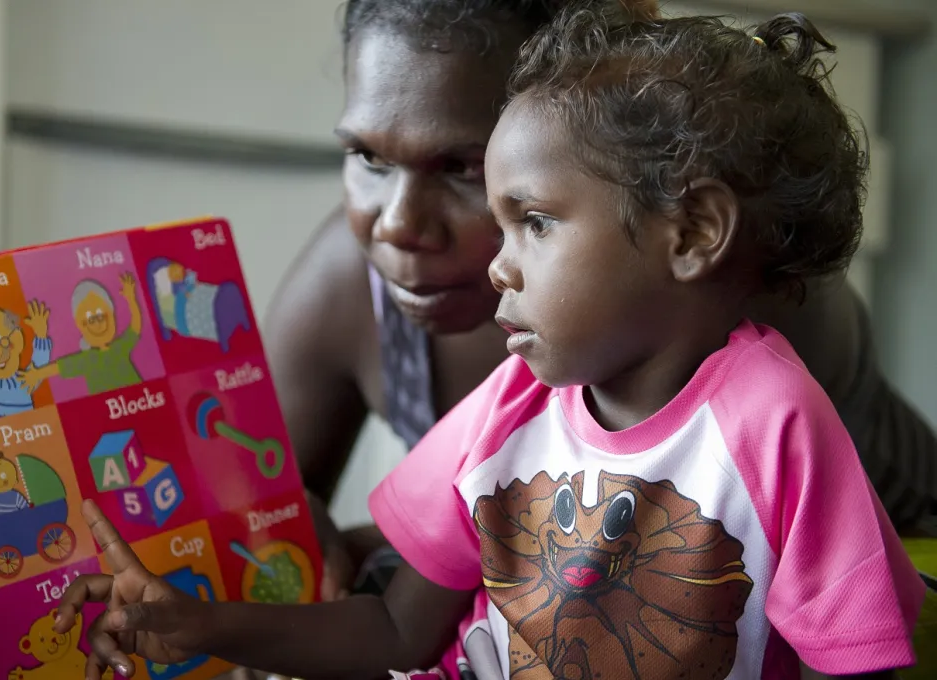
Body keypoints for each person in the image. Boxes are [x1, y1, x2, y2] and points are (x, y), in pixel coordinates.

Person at [58, 9, 924, 678]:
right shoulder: (510, 406)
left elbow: (851, 655)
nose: (499, 268)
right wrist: (193, 621)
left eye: (535, 222)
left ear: (693, 233)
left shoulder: (774, 417)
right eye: (367, 158)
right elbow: (397, 625)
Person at [262, 0, 937, 602]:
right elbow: (267, 508)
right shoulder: (353, 285)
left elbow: (672, 561)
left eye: (464, 167)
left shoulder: (724, 292)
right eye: (370, 159)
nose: (398, 225)